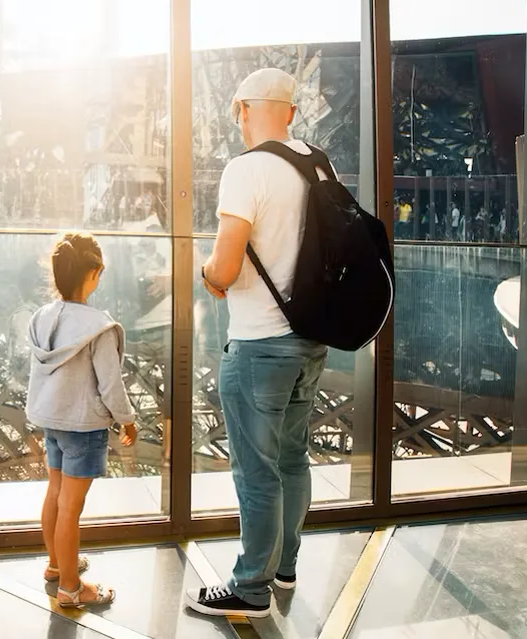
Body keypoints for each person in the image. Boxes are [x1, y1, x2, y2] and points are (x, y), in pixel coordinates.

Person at [185, 68, 329, 620]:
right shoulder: (317, 163)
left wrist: (208, 271)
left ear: (243, 109)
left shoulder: (245, 171)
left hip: (259, 344)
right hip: (310, 342)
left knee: (256, 471)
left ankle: (251, 586)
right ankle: (285, 566)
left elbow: (224, 265)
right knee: (293, 458)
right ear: (290, 113)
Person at [26, 232, 138, 609]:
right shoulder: (98, 327)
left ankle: (57, 566)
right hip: (83, 426)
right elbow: (111, 384)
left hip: (52, 420)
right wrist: (127, 420)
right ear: (92, 272)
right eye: (100, 271)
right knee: (72, 508)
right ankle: (72, 589)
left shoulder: (42, 318)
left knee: (55, 495)